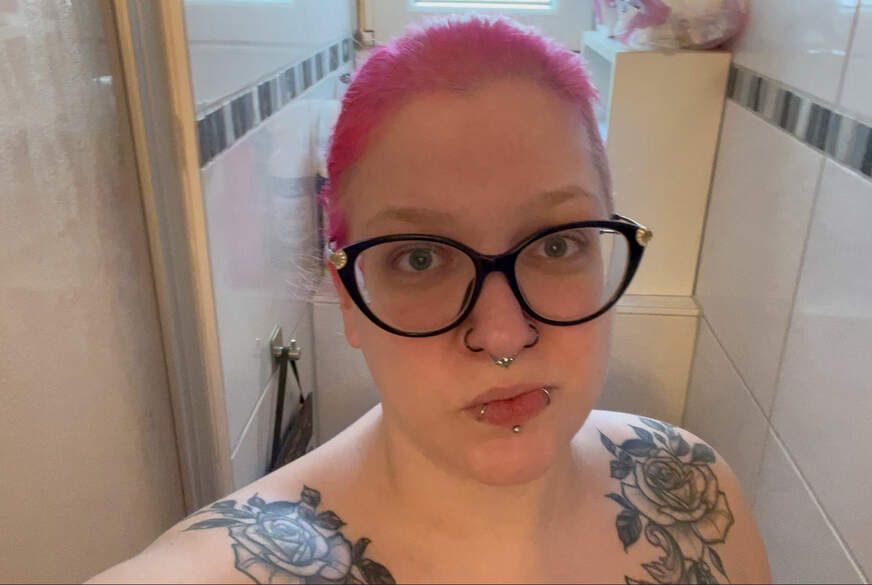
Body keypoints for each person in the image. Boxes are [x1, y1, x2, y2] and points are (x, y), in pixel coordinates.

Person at [88, 15, 770, 584]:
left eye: (557, 244)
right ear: (348, 298)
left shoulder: (697, 493)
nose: (503, 335)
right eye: (420, 259)